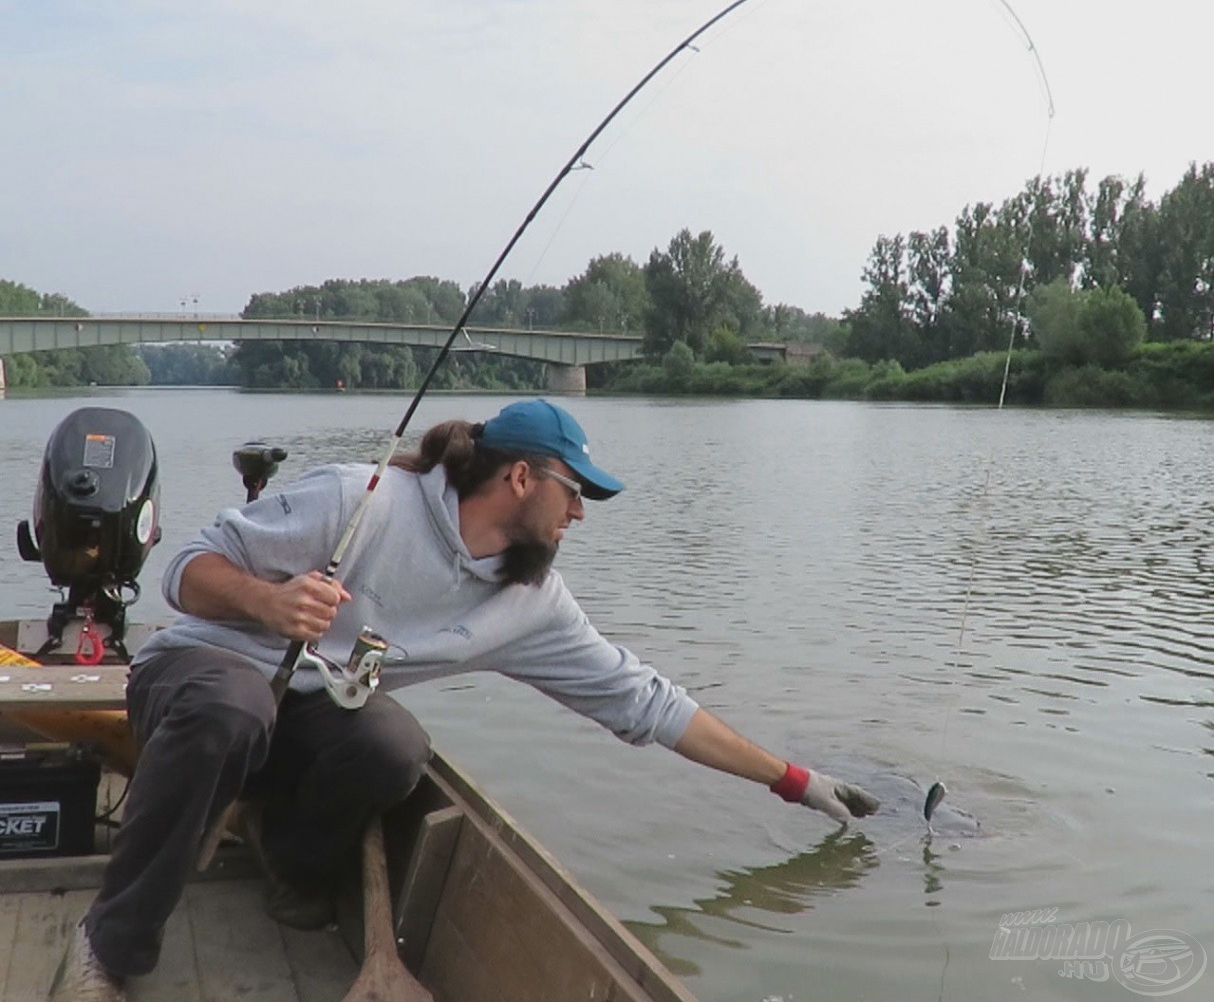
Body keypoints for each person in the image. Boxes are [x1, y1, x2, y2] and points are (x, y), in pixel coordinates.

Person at [50, 398, 880, 1001]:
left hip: (308, 715)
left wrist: (794, 780)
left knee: (394, 750)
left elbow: (650, 702)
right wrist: (267, 602)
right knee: (234, 710)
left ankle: (286, 853)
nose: (581, 514)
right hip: (204, 668)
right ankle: (106, 949)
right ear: (521, 478)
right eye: (574, 492)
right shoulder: (362, 501)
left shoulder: (531, 605)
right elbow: (183, 568)